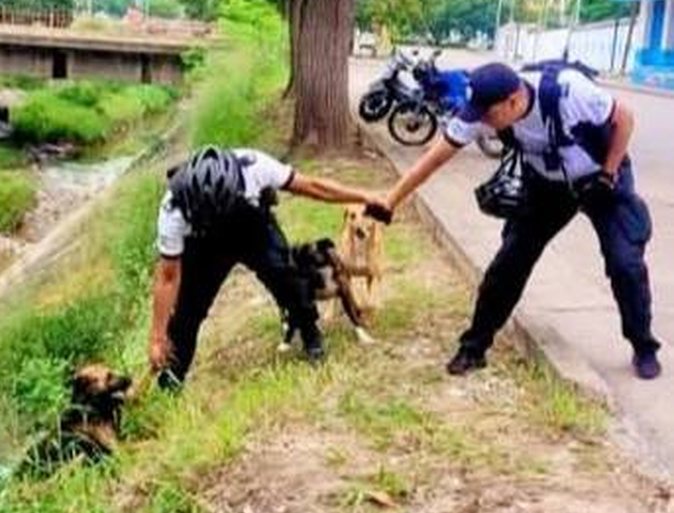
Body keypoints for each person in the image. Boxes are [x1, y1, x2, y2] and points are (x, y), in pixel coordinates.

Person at [381, 62, 661, 380]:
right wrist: (391, 199)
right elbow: (436, 157)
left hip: (601, 177)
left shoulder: (568, 91)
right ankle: (474, 347)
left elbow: (624, 118)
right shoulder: (485, 108)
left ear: (514, 101)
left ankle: (644, 347)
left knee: (625, 263)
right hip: (547, 186)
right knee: (510, 261)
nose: (482, 122)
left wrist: (609, 174)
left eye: (489, 114)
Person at [148, 145, 388, 388]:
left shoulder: (254, 167)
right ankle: (172, 378)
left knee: (285, 273)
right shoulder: (173, 208)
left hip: (252, 228)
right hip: (205, 244)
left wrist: (364, 196)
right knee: (188, 311)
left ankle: (309, 332)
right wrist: (157, 338)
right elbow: (168, 277)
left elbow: (312, 187)